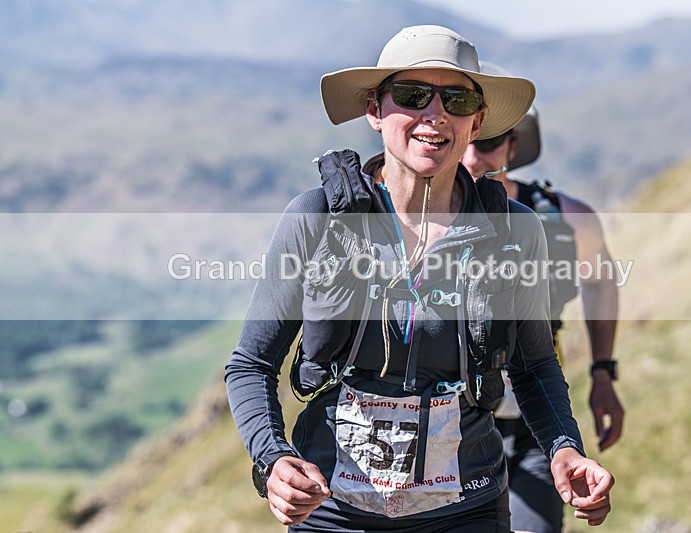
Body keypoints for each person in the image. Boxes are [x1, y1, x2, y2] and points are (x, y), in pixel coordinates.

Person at [225, 26, 613, 532]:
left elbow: (535, 364)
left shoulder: (516, 230)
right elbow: (252, 364)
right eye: (412, 96)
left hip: (466, 509)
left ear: (476, 122)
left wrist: (564, 450)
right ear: (374, 110)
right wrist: (273, 460)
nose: (435, 115)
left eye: (457, 100)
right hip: (333, 512)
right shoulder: (316, 218)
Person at [461, 62, 624, 533]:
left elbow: (600, 281)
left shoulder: (566, 219)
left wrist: (603, 372)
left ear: (511, 147)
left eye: (488, 141)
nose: (473, 157)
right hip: (447, 429)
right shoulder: (415, 222)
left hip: (538, 425)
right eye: (465, 139)